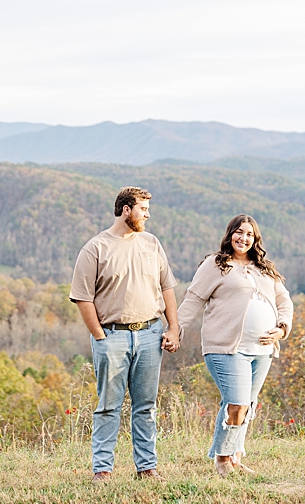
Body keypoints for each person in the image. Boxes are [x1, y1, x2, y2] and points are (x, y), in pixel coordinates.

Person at [69, 186, 180, 482]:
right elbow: (83, 297)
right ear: (126, 210)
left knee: (146, 406)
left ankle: (147, 468)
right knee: (108, 407)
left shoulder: (151, 243)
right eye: (143, 210)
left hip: (150, 334)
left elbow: (167, 287)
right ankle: (102, 470)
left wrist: (173, 327)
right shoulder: (95, 248)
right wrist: (99, 337)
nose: (147, 215)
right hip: (112, 337)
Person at [177, 214, 293, 477]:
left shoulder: (264, 268)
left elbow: (284, 301)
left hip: (262, 349)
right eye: (239, 232)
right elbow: (194, 299)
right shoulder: (215, 265)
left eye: (250, 234)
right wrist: (176, 329)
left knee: (246, 405)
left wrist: (282, 328)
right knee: (237, 403)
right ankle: (222, 459)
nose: (244, 238)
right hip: (226, 347)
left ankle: (235, 457)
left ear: (256, 239)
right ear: (230, 235)